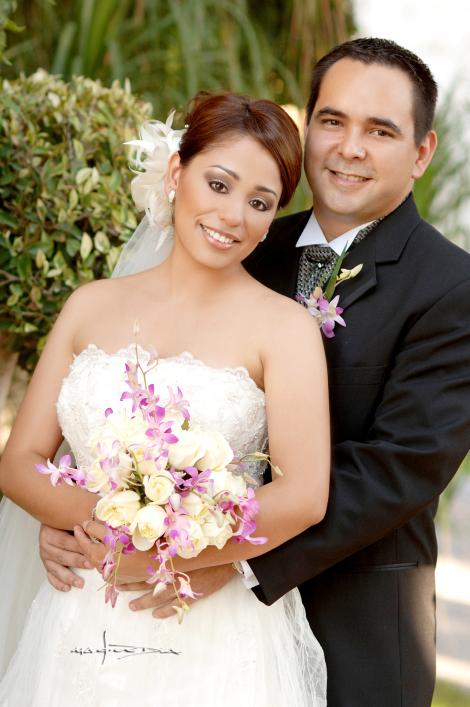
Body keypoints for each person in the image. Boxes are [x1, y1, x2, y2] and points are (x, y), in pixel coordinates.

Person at [46, 37, 470, 707]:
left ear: (422, 152)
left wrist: (225, 553)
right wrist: (86, 516)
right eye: (332, 120)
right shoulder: (239, 237)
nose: (350, 146)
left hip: (353, 625)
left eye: (380, 130)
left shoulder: (451, 286)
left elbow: (401, 466)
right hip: (171, 616)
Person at [0, 93, 330, 705]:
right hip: (80, 614)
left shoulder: (285, 328)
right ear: (177, 174)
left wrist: (180, 556)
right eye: (219, 183)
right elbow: (20, 463)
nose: (233, 216)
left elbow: (305, 496)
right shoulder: (90, 305)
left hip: (211, 632)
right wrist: (94, 524)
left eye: (259, 203)